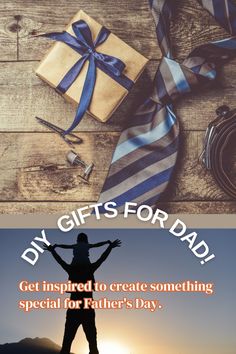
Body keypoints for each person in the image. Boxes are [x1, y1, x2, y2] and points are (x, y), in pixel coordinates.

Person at [44, 239, 121, 354]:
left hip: (74, 309)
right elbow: (102, 258)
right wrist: (109, 247)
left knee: (67, 344)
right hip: (87, 310)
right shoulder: (89, 269)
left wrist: (53, 251)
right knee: (92, 344)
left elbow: (60, 261)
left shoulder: (72, 270)